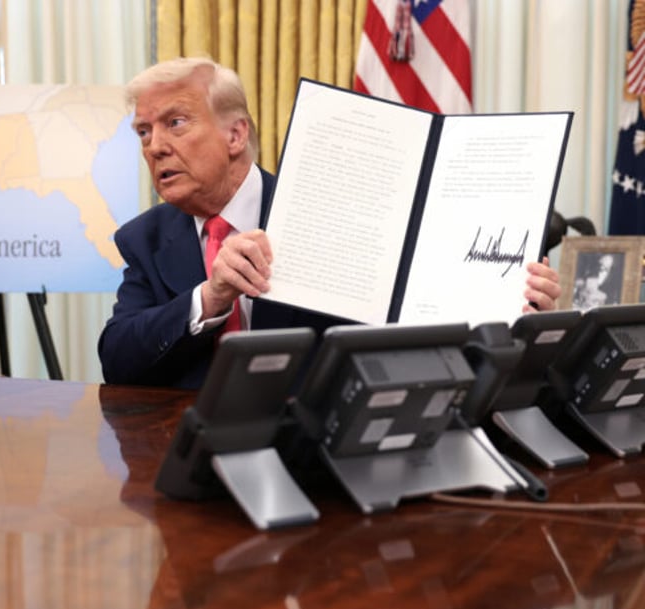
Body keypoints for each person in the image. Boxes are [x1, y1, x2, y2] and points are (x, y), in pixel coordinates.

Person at [97, 57, 562, 389]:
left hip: (315, 454)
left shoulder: (331, 212)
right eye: (144, 131)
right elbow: (117, 359)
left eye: (175, 123)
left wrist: (511, 315)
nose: (154, 146)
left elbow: (401, 337)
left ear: (235, 134)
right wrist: (210, 296)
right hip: (183, 449)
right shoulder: (146, 238)